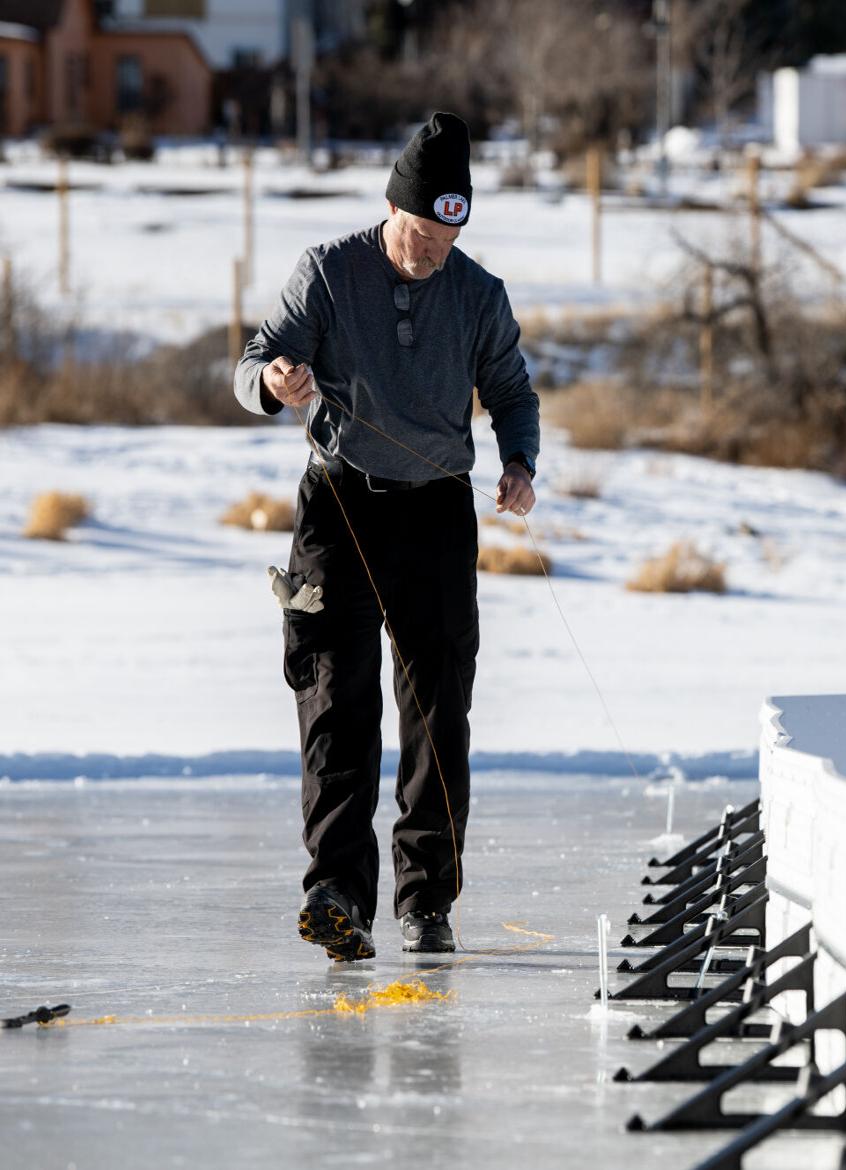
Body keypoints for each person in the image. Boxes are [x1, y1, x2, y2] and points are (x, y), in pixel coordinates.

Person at [234, 112, 539, 960]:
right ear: (392, 208)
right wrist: (274, 379)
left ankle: (426, 898)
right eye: (420, 234)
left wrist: (519, 460)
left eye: (448, 238)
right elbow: (253, 361)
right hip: (338, 507)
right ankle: (336, 893)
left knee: (439, 710)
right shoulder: (328, 273)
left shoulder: (479, 294)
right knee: (335, 698)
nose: (432, 253)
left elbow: (513, 392)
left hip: (438, 513)